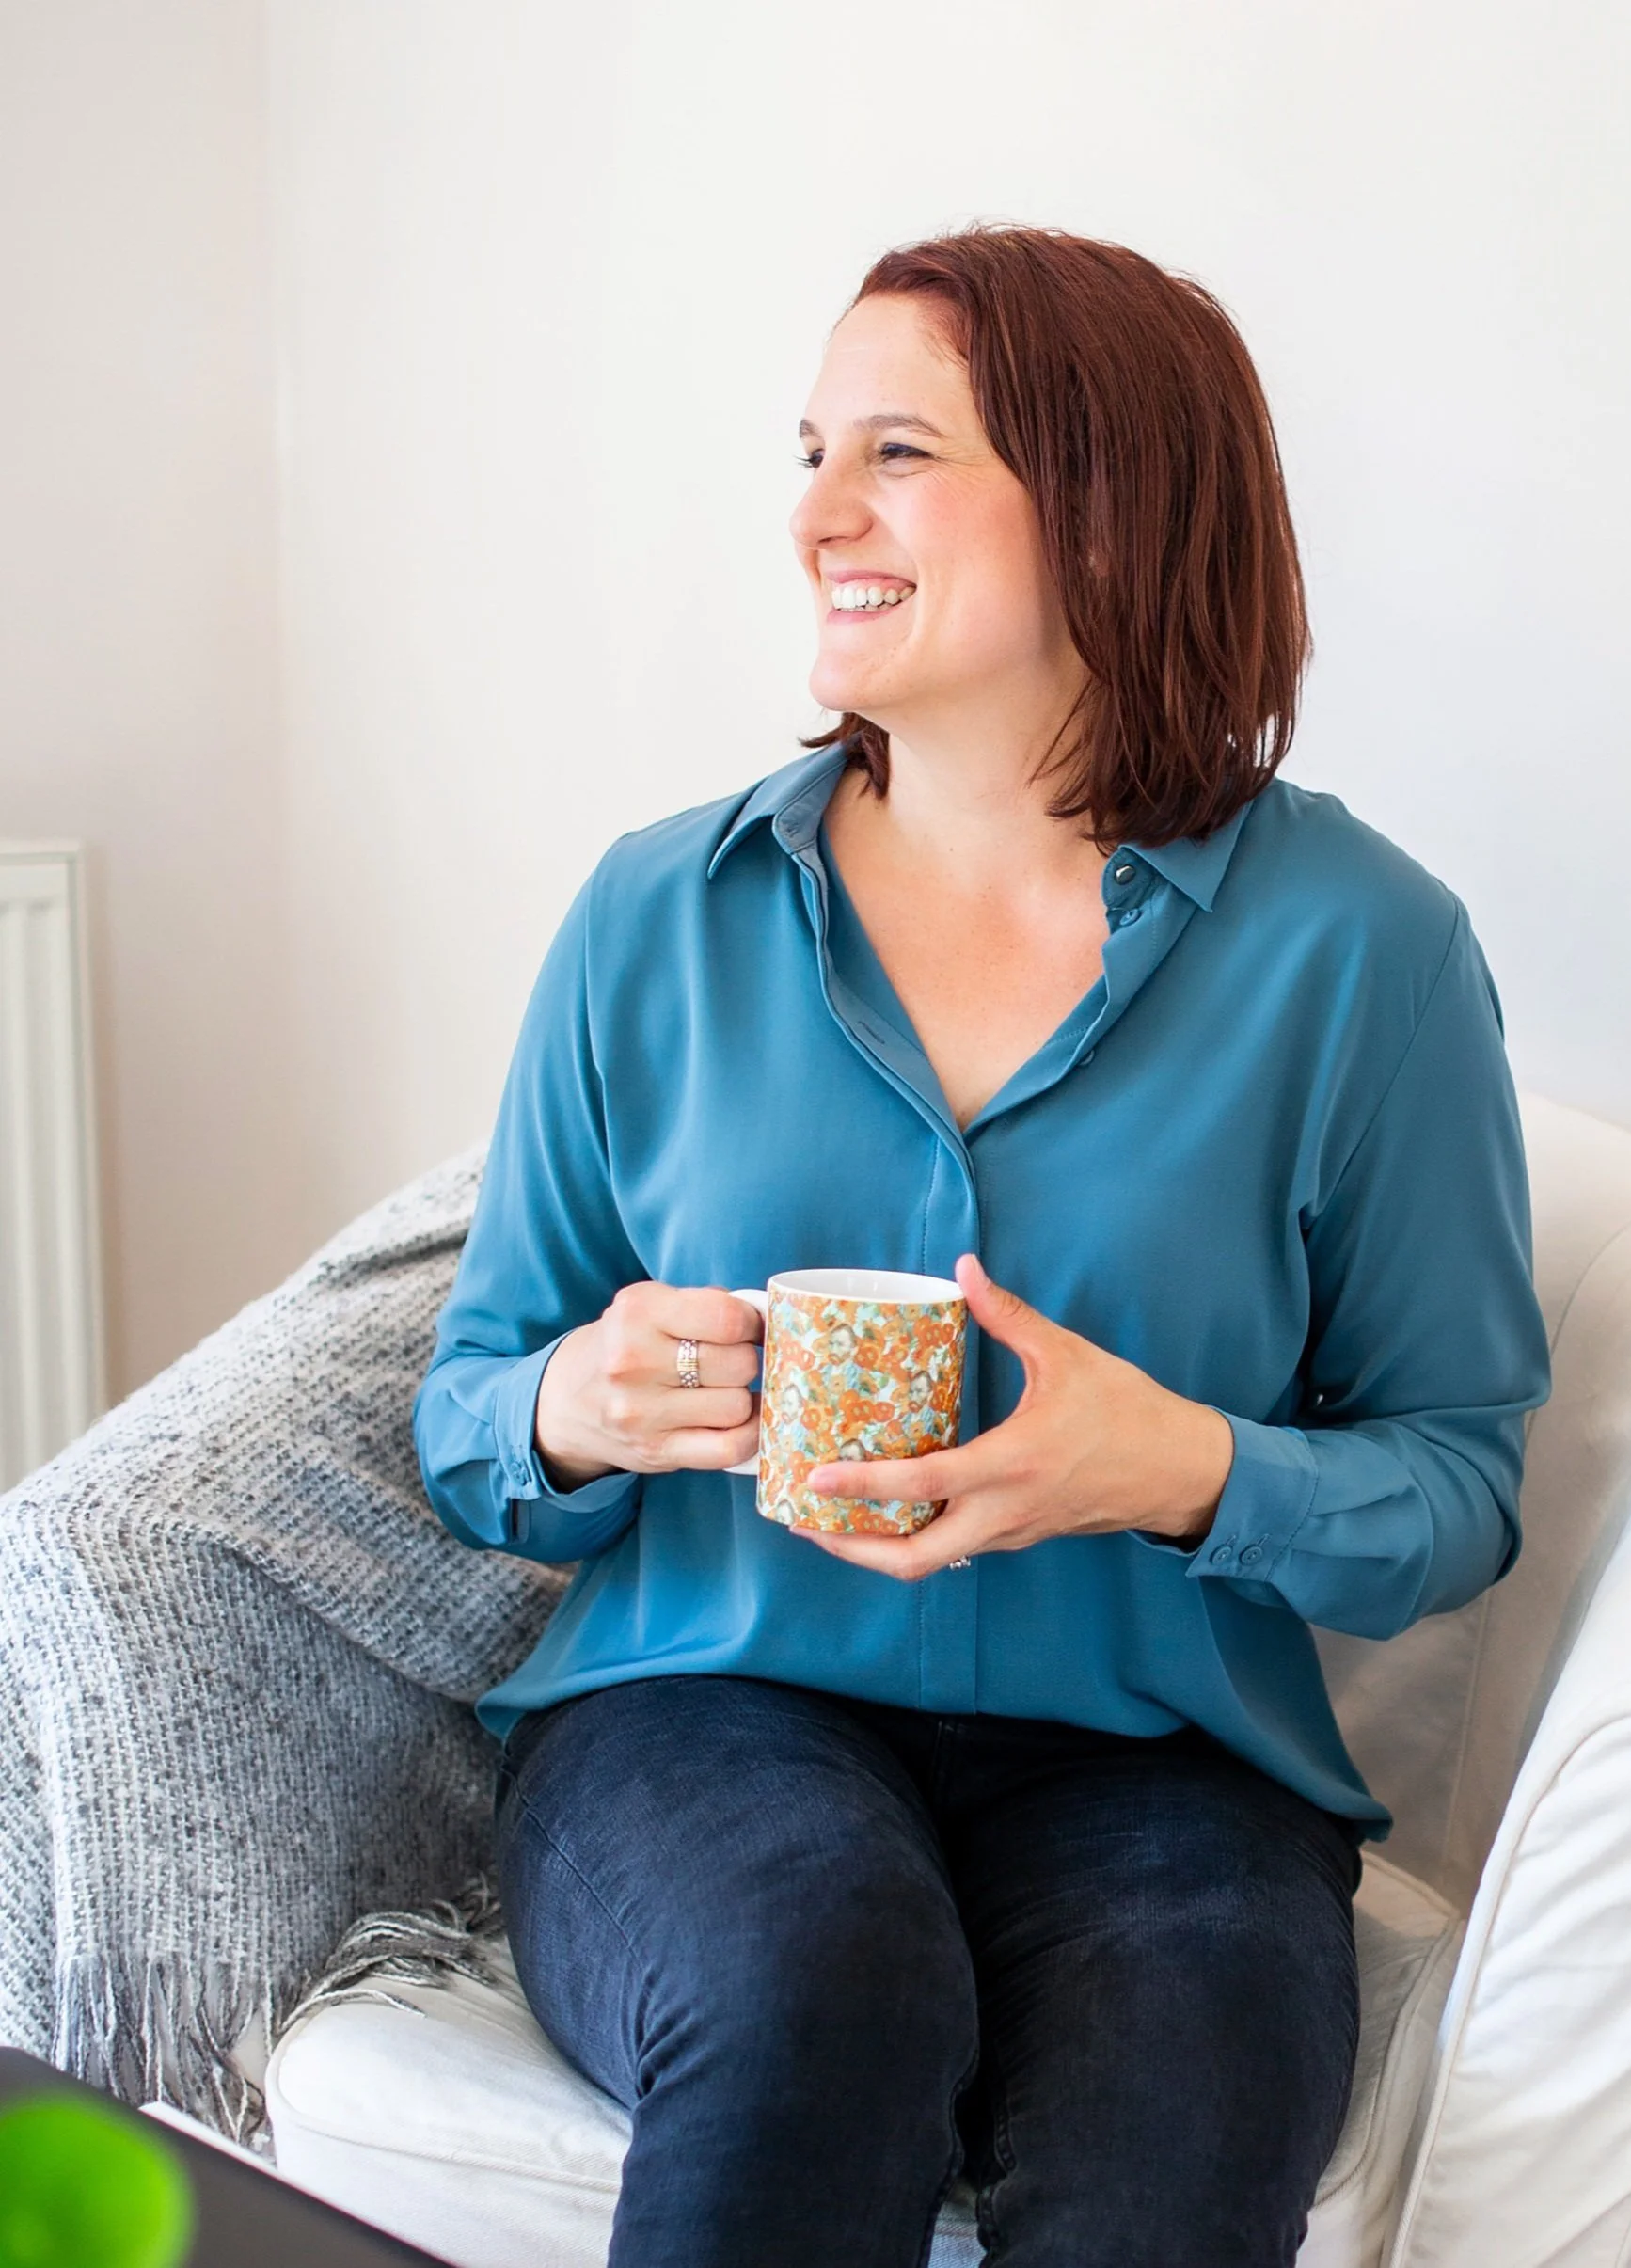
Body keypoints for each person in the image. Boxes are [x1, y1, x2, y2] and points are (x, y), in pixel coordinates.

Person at [413, 225, 1551, 2268]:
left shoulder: (1366, 956)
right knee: (818, 1982)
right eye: (813, 448)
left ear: (1111, 502)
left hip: (1161, 1771)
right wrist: (575, 1406)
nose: (816, 513)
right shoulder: (654, 917)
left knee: (1191, 2090)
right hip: (697, 1709)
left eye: (899, 454)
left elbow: (1459, 1482)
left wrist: (1184, 1463)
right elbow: (472, 1403)